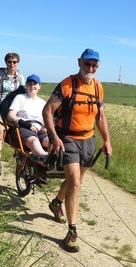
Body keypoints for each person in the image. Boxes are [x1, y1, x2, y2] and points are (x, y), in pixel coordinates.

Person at [42, 49, 112, 253]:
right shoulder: (67, 84)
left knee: (76, 181)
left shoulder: (98, 87)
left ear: (98, 66)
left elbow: (100, 116)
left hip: (88, 139)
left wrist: (107, 140)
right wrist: (54, 136)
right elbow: (47, 111)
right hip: (68, 139)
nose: (90, 68)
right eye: (87, 64)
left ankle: (56, 203)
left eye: (94, 65)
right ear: (80, 62)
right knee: (74, 182)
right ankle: (72, 231)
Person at [0, 53, 24, 176]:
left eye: (14, 62)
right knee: (0, 136)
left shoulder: (20, 77)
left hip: (12, 111)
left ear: (17, 63)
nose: (12, 64)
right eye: (9, 62)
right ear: (6, 62)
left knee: (11, 137)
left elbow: (23, 94)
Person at [6, 74, 50, 161]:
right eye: (30, 84)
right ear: (26, 85)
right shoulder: (20, 98)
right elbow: (10, 115)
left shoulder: (42, 103)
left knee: (51, 141)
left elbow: (46, 120)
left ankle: (56, 161)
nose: (32, 86)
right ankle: (45, 157)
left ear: (39, 86)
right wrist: (26, 125)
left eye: (35, 84)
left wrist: (46, 128)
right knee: (34, 140)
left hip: (39, 129)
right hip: (24, 128)